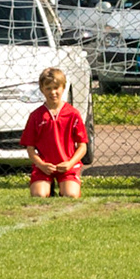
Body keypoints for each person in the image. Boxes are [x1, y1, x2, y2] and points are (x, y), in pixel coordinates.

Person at [23, 67, 87, 198]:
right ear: (42, 89)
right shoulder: (36, 116)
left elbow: (82, 146)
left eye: (56, 88)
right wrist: (41, 164)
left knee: (71, 195)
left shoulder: (73, 114)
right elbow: (30, 149)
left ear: (63, 88)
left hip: (67, 166)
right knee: (38, 195)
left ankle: (66, 185)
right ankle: (48, 186)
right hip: (44, 166)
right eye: (48, 88)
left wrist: (70, 163)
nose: (53, 92)